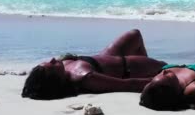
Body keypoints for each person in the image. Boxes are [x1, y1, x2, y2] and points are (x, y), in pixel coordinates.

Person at [22, 29, 166, 100]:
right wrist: (155, 81)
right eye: (51, 65)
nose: (52, 60)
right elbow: (126, 84)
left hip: (104, 58)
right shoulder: (84, 77)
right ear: (55, 78)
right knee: (164, 66)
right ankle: (150, 70)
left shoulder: (64, 66)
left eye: (48, 61)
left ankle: (149, 66)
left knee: (134, 34)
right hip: (127, 68)